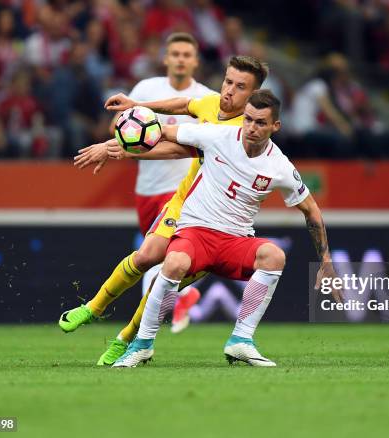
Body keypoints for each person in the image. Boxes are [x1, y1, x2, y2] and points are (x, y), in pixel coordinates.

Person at [107, 90, 342, 367]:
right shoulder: (217, 137)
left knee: (274, 256)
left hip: (235, 240)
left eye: (260, 123)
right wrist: (118, 142)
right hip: (196, 233)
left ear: (275, 126)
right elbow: (162, 132)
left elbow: (311, 210)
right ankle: (142, 345)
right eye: (249, 120)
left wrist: (325, 259)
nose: (251, 128)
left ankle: (241, 340)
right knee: (174, 261)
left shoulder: (279, 166)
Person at [60, 55, 269, 366]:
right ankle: (93, 307)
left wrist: (121, 149)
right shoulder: (212, 103)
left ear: (252, 97)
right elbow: (185, 105)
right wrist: (138, 103)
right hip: (184, 201)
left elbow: (175, 149)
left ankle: (126, 339)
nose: (228, 91)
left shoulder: (239, 134)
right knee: (146, 256)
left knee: (162, 282)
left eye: (240, 88)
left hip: (215, 225)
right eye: (228, 82)